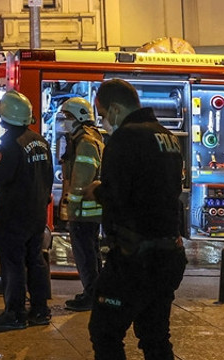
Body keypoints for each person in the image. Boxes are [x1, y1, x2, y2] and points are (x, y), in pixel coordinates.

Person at [85, 79, 187, 360]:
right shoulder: (167, 136)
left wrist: (97, 191)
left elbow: (118, 196)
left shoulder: (124, 139)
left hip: (133, 258)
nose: (104, 122)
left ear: (116, 109)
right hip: (168, 254)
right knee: (155, 336)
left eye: (104, 115)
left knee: (104, 332)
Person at [0, 90, 54, 330]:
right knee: (36, 260)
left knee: (13, 264)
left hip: (14, 216)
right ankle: (40, 309)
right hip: (36, 214)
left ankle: (14, 313)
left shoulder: (10, 145)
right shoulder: (41, 142)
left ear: (4, 117)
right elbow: (46, 177)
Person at [59, 96, 104, 312]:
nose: (64, 121)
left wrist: (72, 208)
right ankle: (94, 292)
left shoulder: (85, 142)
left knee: (85, 255)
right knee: (91, 252)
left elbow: (81, 180)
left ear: (79, 117)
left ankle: (91, 295)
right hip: (90, 211)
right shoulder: (85, 138)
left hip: (84, 211)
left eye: (67, 117)